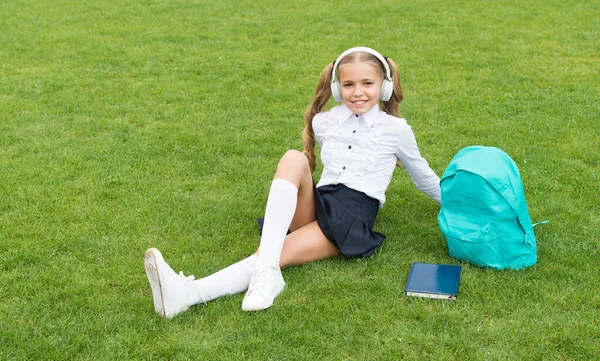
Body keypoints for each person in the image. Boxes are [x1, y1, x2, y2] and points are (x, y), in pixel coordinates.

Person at [144, 47, 441, 318]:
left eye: (368, 84)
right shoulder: (324, 122)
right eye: (349, 85)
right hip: (321, 201)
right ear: (337, 89)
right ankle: (261, 276)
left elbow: (423, 176)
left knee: (275, 252)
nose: (358, 92)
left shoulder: (396, 130)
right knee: (292, 158)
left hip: (352, 214)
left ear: (384, 86)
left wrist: (461, 203)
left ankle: (187, 295)